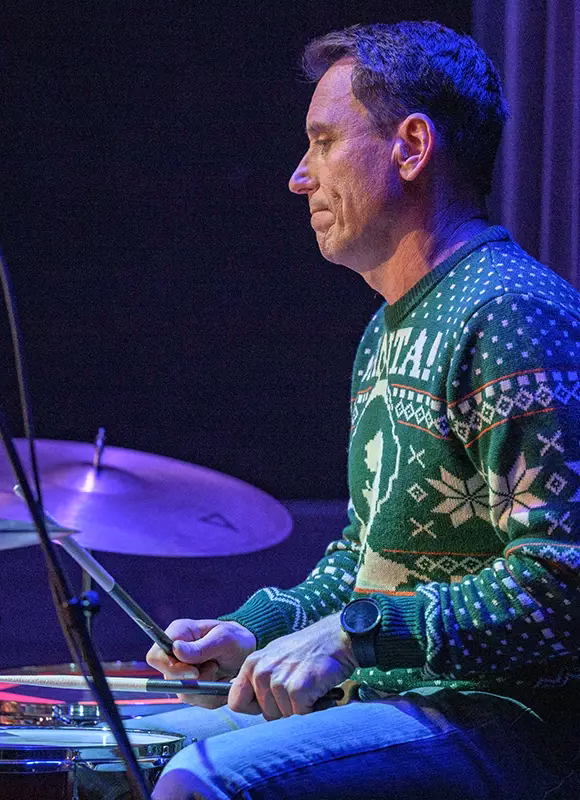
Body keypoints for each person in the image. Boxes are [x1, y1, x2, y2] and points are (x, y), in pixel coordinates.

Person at [131, 20, 580, 800]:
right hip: (403, 699)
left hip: (513, 719)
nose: (300, 178)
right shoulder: (387, 327)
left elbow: (561, 584)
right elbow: (366, 557)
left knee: (203, 782)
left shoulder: (512, 313)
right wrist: (256, 629)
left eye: (324, 142)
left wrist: (354, 635)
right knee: (123, 751)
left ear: (410, 147)